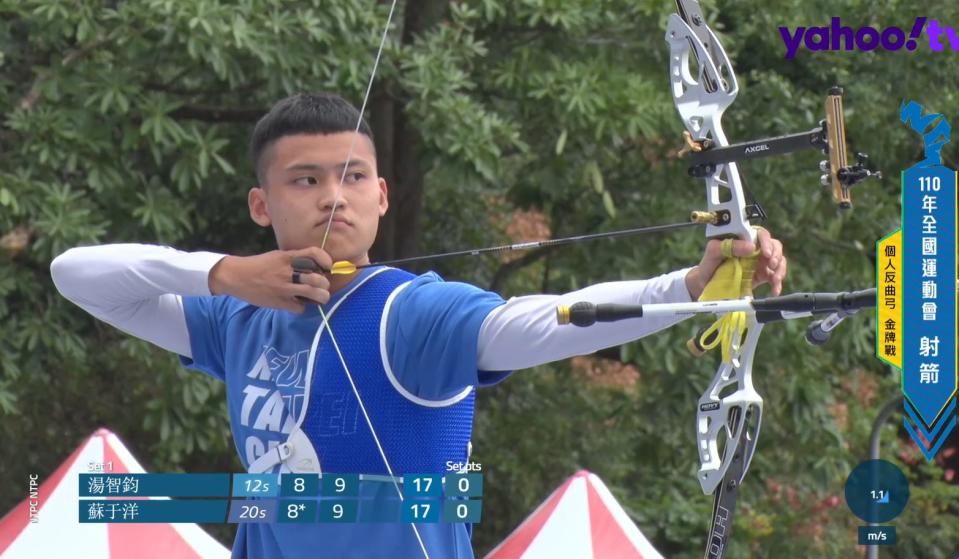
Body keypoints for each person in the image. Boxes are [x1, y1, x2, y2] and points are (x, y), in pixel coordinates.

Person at [50, 92, 787, 558]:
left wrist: (687, 285)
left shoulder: (413, 313)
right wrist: (223, 274)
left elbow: (542, 321)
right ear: (260, 205)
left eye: (352, 177)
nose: (332, 198)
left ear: (382, 195)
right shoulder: (237, 316)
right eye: (305, 179)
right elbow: (76, 273)